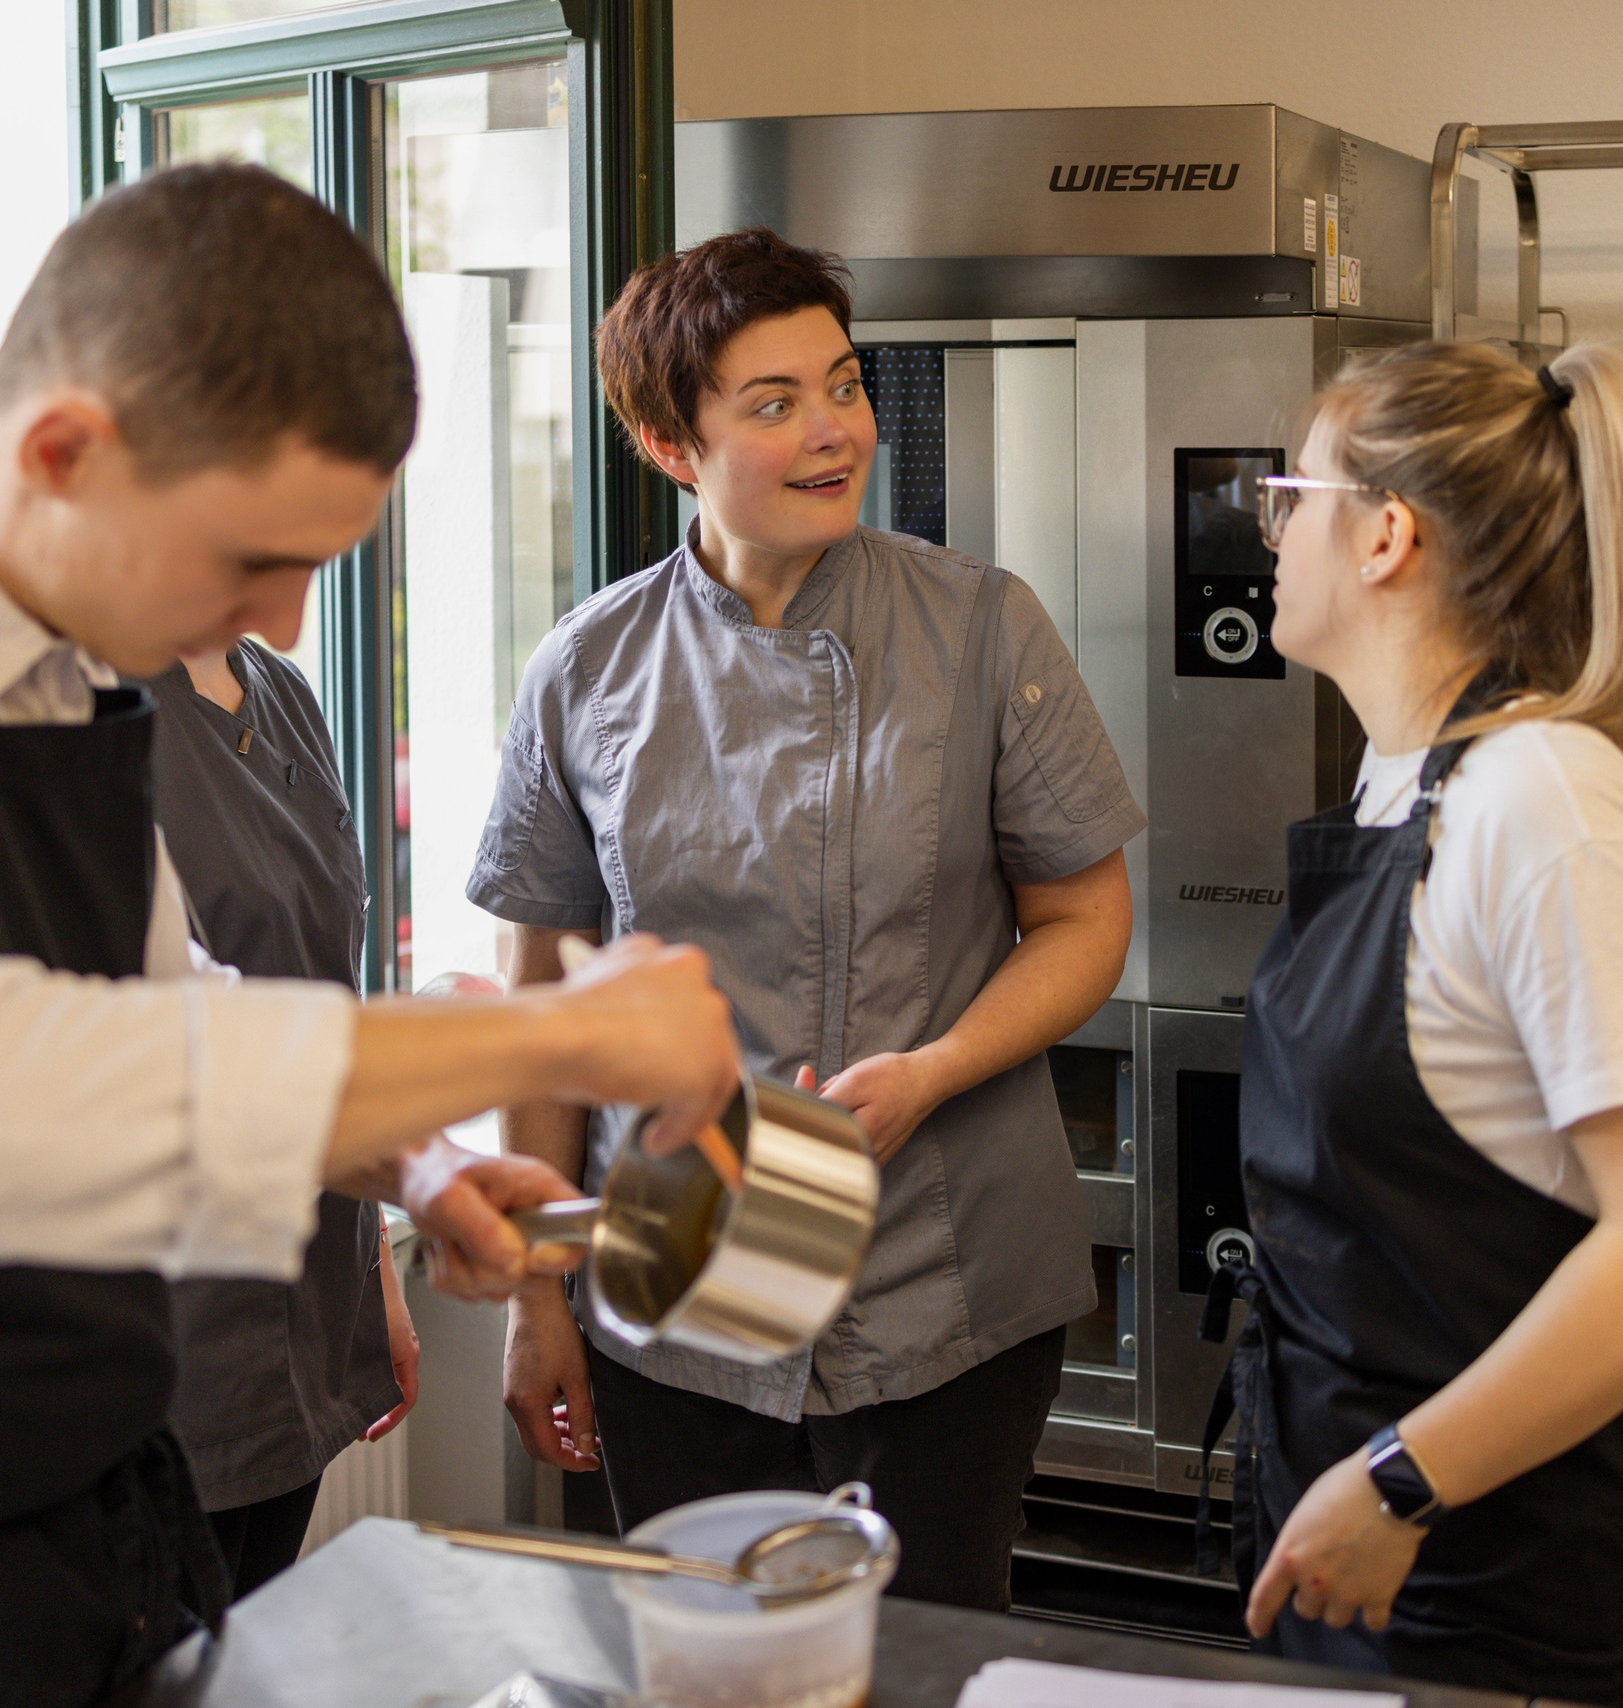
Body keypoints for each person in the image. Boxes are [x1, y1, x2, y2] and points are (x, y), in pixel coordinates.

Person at [0, 162, 741, 1708]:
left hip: (85, 1548)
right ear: (63, 449)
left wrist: (413, 1160)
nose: (291, 629)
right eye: (256, 562)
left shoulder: (57, 678)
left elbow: (178, 999)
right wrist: (553, 1030)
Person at [473, 228, 1143, 1610]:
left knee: (917, 1660)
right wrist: (541, 1297)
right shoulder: (588, 669)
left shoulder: (981, 630)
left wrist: (937, 1071)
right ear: (671, 446)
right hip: (681, 1267)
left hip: (938, 1269)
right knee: (710, 1657)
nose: (836, 430)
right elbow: (542, 1005)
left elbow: (1083, 919)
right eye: (773, 404)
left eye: (842, 386)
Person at [1210, 340, 1623, 1708]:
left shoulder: (1547, 803)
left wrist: (1398, 1482)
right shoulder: (1405, 791)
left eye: (1296, 491)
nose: (1271, 527)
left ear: (1387, 535)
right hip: (1350, 1536)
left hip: (1485, 1584)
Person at [150, 641, 416, 1599]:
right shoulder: (80, 713)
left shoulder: (286, 692)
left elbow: (327, 991)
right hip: (181, 1335)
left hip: (312, 1295)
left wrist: (378, 1262)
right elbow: (174, 1041)